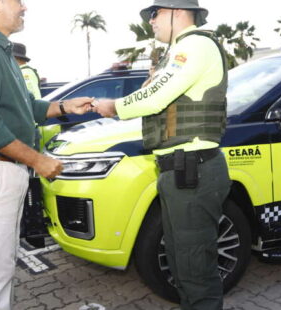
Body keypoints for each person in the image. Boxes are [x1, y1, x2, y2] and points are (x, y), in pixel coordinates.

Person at [92, 1, 230, 309]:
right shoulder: (179, 52)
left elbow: (156, 98)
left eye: (155, 13)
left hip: (192, 171)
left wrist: (114, 106)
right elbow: (161, 98)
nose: (151, 21)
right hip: (180, 171)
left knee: (196, 269)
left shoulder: (195, 45)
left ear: (176, 11)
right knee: (182, 263)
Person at [0, 0, 93, 308]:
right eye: (19, 1)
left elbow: (27, 107)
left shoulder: (0, 50)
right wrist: (38, 160)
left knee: (3, 263)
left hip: (6, 170)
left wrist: (65, 106)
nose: (25, 7)